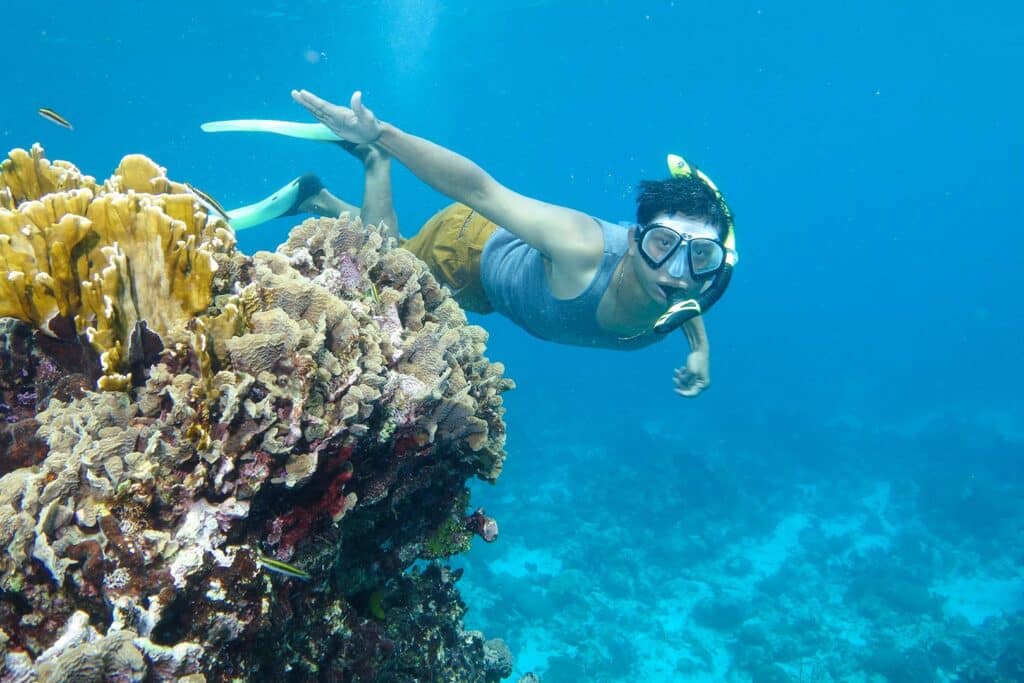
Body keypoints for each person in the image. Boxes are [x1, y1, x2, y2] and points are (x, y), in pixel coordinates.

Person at [207, 90, 738, 398]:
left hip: (494, 290)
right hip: (468, 251)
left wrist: (702, 352)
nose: (676, 271)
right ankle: (372, 161)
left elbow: (685, 294)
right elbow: (481, 189)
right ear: (636, 238)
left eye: (700, 257)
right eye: (664, 244)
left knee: (393, 255)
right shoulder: (581, 249)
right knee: (376, 272)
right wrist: (381, 134)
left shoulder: (684, 288)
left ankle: (315, 198)